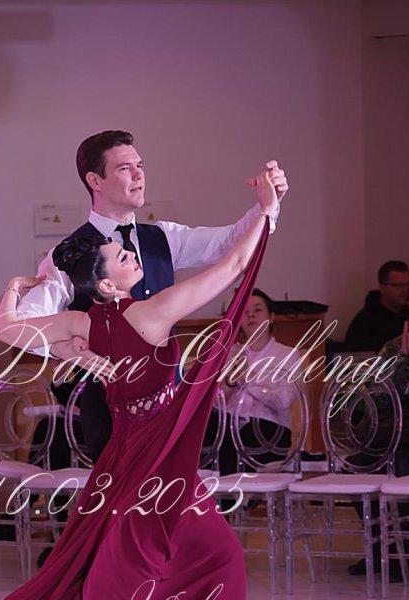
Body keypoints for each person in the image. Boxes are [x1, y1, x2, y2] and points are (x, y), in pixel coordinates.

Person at [0, 172, 280, 600]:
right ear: (106, 285)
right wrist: (265, 210)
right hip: (153, 467)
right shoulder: (149, 313)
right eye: (121, 256)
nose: (131, 254)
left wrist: (15, 286)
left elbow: (6, 329)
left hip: (131, 460)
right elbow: (232, 267)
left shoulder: (82, 322)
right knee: (122, 587)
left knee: (214, 556)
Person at [17, 130, 288, 461]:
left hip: (169, 403)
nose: (138, 175)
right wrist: (66, 350)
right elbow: (24, 322)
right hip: (109, 413)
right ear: (95, 180)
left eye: (140, 165)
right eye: (124, 168)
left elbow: (231, 242)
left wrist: (268, 205)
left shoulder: (164, 237)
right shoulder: (71, 255)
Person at [347, 272, 409, 578]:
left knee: (404, 464)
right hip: (394, 430)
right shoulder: (393, 345)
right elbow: (379, 395)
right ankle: (380, 549)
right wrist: (402, 358)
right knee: (356, 468)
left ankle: (401, 553)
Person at [216, 289, 297, 476]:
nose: (251, 315)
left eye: (258, 310)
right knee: (210, 435)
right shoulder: (230, 354)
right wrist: (231, 382)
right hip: (230, 430)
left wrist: (247, 376)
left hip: (269, 431)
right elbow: (216, 403)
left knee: (239, 442)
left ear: (271, 317)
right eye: (245, 312)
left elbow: (283, 401)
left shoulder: (287, 354)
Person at [341, 260, 409, 354]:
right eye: (398, 285)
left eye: (408, 284)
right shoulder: (364, 323)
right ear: (382, 288)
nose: (406, 290)